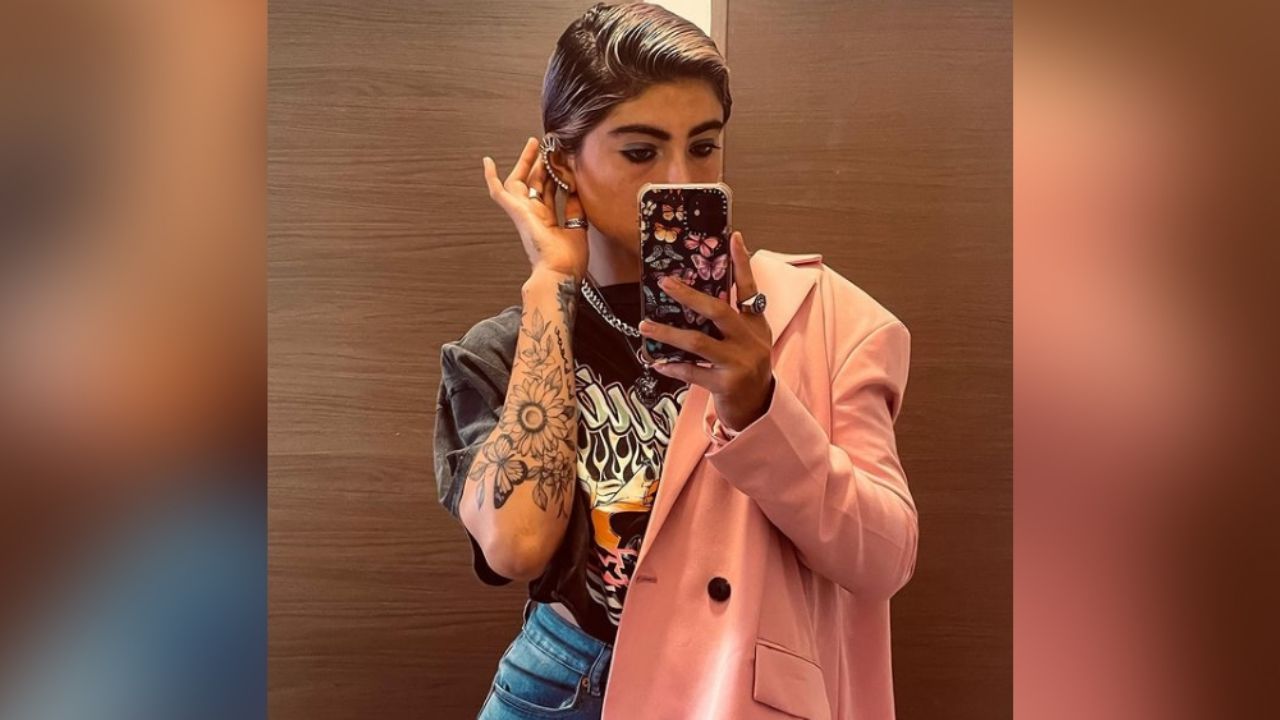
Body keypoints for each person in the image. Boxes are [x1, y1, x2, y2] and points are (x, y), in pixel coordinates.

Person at [433, 4, 916, 718]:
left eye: (704, 146)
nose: (683, 179)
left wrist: (759, 408)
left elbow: (883, 560)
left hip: (724, 687)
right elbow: (517, 547)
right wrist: (551, 284)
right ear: (563, 162)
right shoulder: (505, 349)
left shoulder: (819, 316)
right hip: (557, 685)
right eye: (641, 152)